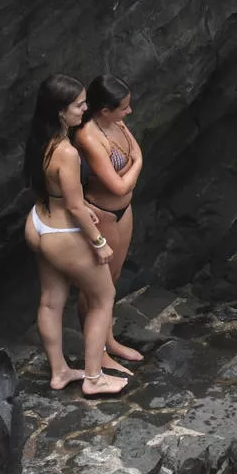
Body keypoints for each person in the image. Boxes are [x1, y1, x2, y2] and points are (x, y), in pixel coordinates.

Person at [21, 75, 125, 398]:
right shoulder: (66, 151)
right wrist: (99, 242)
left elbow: (57, 191)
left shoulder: (40, 139)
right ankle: (94, 378)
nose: (85, 108)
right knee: (103, 297)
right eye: (79, 105)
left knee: (51, 300)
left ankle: (59, 371)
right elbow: (77, 208)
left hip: (40, 222)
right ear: (60, 111)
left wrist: (80, 206)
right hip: (64, 233)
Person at [73, 76, 145, 366]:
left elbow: (133, 158)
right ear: (104, 110)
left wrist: (129, 171)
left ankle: (109, 340)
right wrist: (136, 165)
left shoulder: (117, 123)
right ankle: (97, 352)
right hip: (101, 213)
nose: (129, 111)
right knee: (96, 286)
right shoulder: (89, 137)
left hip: (123, 210)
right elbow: (117, 185)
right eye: (124, 107)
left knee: (112, 280)